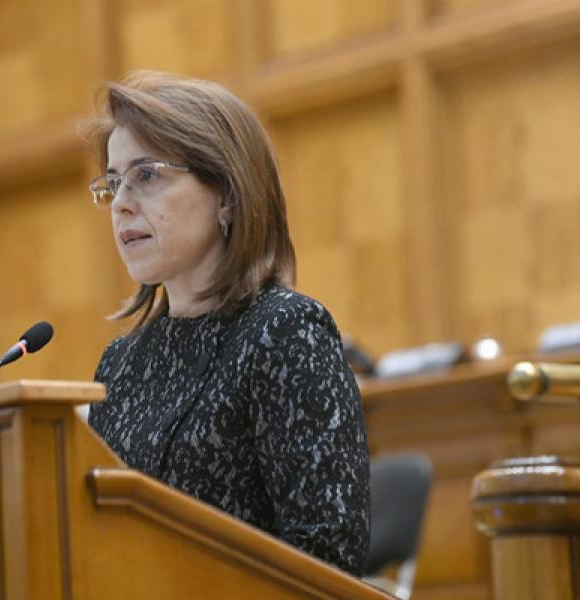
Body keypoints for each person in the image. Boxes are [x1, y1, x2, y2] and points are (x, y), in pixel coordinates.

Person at [84, 71, 370, 576]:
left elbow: (328, 559)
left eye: (146, 175)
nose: (121, 203)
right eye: (114, 182)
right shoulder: (120, 366)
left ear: (228, 196)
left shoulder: (286, 333)